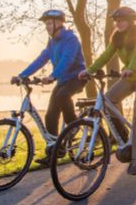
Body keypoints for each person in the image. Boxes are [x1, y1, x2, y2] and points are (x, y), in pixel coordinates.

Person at [79, 6, 136, 176]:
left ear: (131, 21)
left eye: (122, 20)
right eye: (116, 21)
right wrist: (89, 70)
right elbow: (105, 56)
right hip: (129, 77)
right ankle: (125, 139)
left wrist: (131, 68)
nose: (118, 23)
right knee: (107, 101)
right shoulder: (116, 38)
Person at [13, 9, 86, 164]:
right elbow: (41, 60)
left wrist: (53, 75)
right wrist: (22, 75)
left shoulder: (71, 39)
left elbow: (67, 60)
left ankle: (73, 126)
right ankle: (55, 152)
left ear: (58, 23)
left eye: (49, 24)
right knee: (50, 116)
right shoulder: (52, 42)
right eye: (45, 24)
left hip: (77, 78)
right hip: (62, 80)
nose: (47, 27)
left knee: (62, 95)